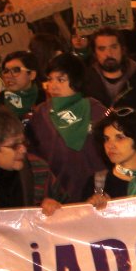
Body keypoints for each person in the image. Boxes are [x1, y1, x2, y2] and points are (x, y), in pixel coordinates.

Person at [28, 53, 109, 201]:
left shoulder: (96, 109)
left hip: (97, 192)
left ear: (76, 81)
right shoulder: (40, 113)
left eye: (61, 79)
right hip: (57, 195)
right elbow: (32, 154)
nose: (53, 85)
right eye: (50, 79)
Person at [83, 27, 136, 110]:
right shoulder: (86, 83)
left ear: (122, 49)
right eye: (102, 49)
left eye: (113, 47)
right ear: (95, 53)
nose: (108, 54)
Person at [0, 51, 42, 121]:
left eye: (16, 70)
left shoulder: (46, 97)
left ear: (32, 75)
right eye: (6, 71)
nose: (9, 76)